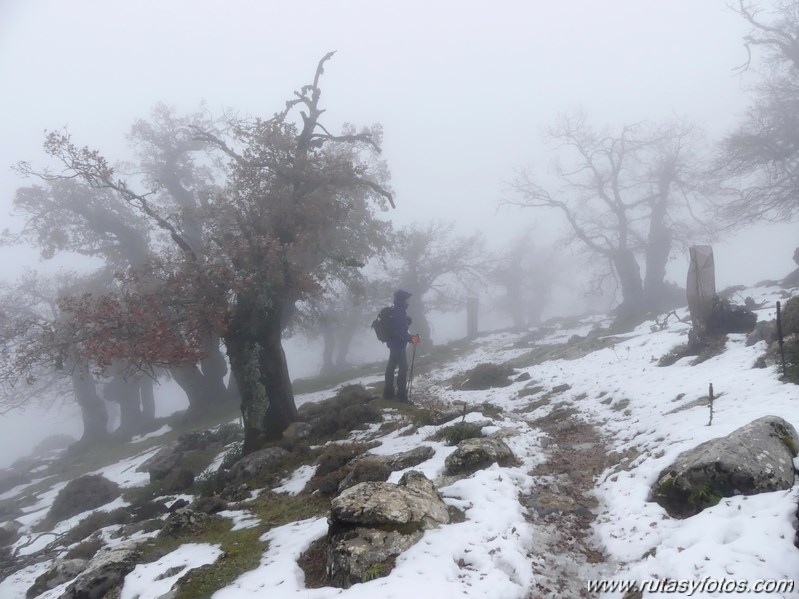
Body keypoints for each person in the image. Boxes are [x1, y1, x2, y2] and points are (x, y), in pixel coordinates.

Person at [384, 289, 421, 402]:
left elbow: (399, 329)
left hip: (392, 343)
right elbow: (400, 331)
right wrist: (412, 339)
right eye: (408, 298)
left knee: (391, 367)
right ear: (403, 300)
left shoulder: (395, 310)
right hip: (398, 344)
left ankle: (388, 393)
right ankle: (401, 396)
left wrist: (410, 336)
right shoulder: (399, 312)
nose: (409, 300)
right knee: (403, 367)